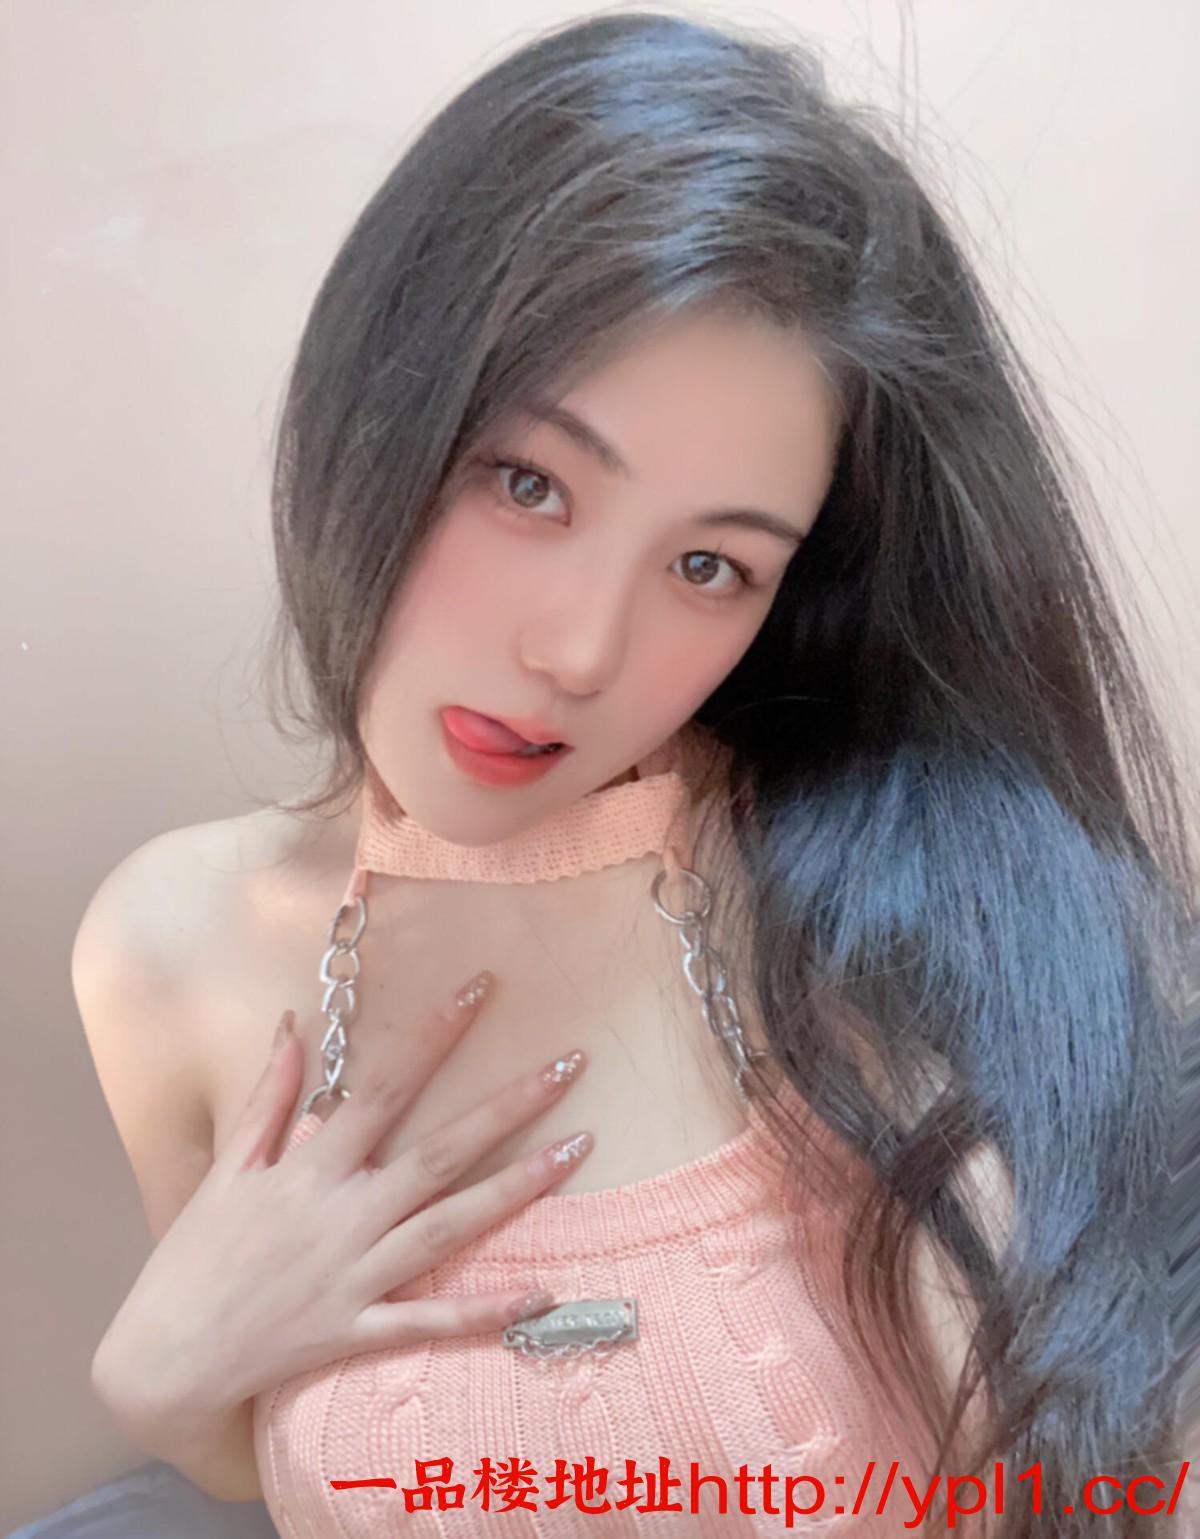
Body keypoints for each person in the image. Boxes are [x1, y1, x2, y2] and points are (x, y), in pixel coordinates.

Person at [72, 11, 1197, 1537]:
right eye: (528, 483)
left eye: (708, 565)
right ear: (377, 403)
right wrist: (157, 1387)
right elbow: (263, 1448)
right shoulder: (171, 946)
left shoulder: (903, 905)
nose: (580, 651)